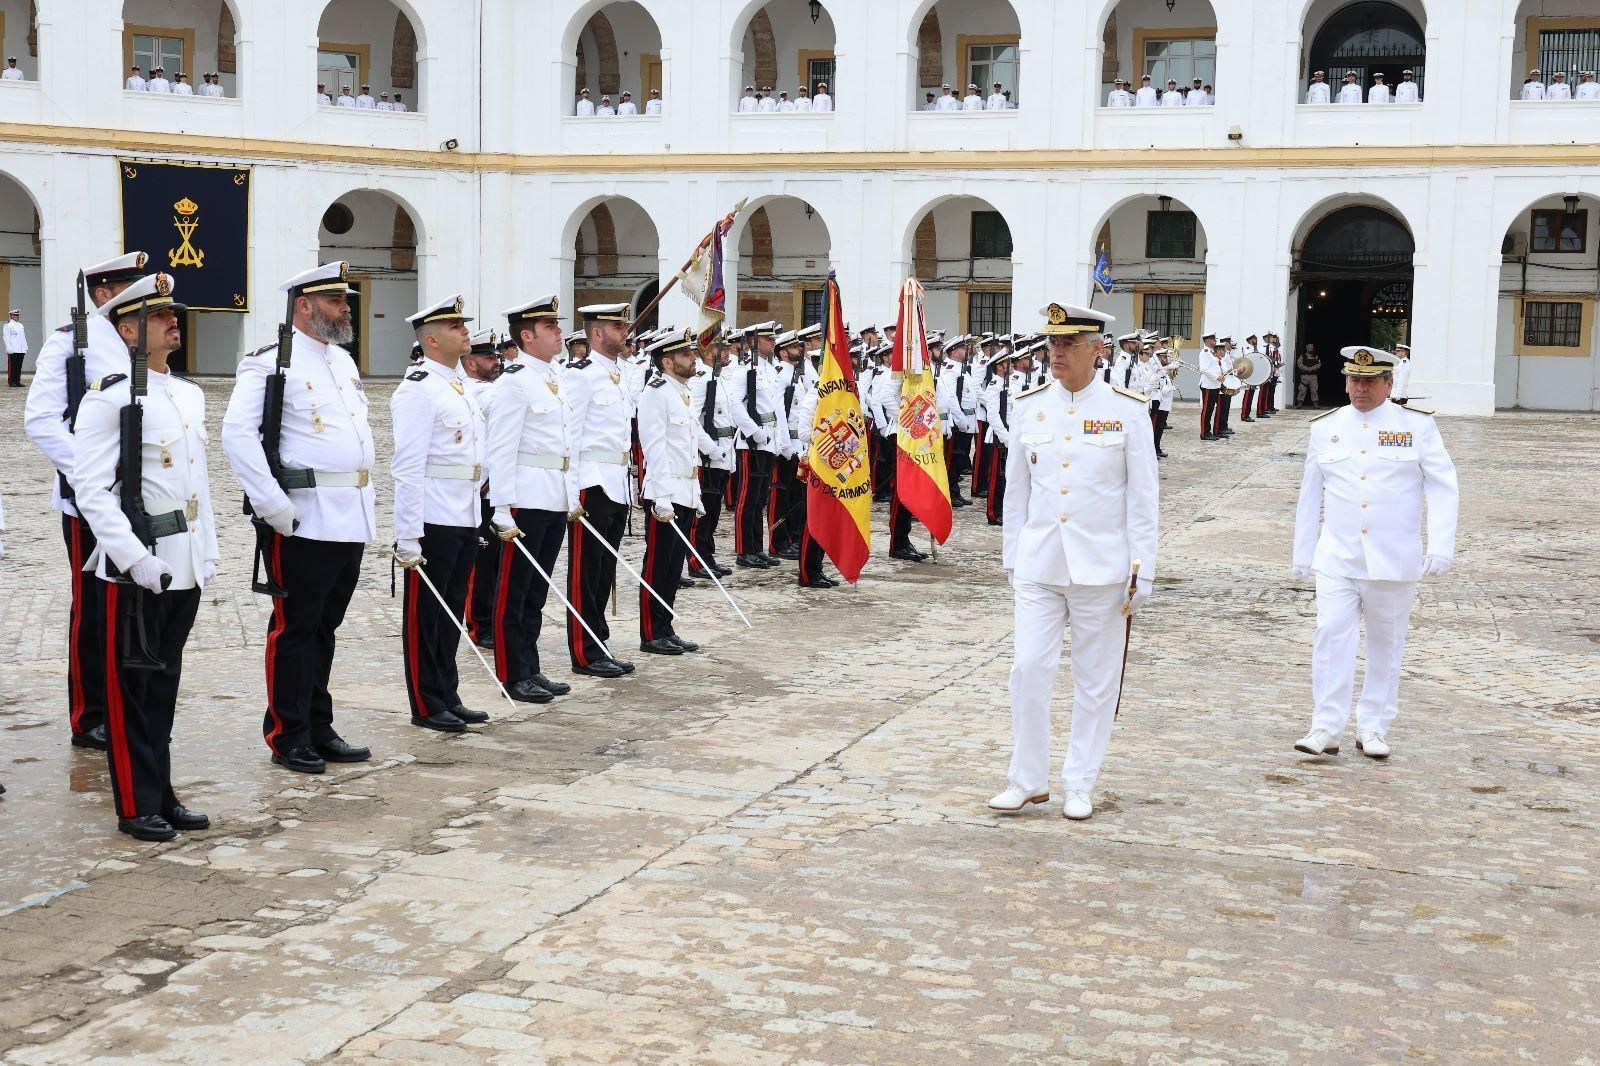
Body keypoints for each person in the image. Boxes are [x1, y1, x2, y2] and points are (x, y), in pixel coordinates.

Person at [989, 301, 1156, 822]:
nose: (1055, 353)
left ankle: (1079, 781)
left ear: (1096, 349)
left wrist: (1142, 567)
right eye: (1051, 344)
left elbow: (1143, 497)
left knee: (1095, 681)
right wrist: (1013, 558)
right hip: (1040, 565)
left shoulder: (1128, 410)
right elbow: (1016, 492)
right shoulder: (1028, 405)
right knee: (1029, 669)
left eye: (1067, 345)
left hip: (1102, 569)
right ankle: (1026, 778)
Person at [74, 273, 219, 842]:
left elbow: (197, 487)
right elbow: (93, 492)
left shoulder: (186, 393)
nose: (173, 321)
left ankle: (161, 789)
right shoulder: (107, 399)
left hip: (181, 560)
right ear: (127, 327)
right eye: (160, 316)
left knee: (164, 684)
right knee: (131, 688)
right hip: (137, 567)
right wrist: (133, 558)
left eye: (172, 314)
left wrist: (204, 554)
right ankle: (136, 803)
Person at [222, 263, 376, 774]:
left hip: (347, 514)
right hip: (302, 516)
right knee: (295, 629)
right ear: (305, 306)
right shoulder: (270, 364)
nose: (346, 307)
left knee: (326, 627)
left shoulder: (343, 363)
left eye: (346, 300)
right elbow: (238, 435)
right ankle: (287, 731)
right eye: (336, 301)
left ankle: (318, 722)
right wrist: (272, 506)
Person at [1292, 346, 1458, 760]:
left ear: (1388, 384)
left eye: (1369, 381)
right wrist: (1303, 552)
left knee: (1386, 645)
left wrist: (1441, 544)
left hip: (1392, 558)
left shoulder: (1416, 427)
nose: (1360, 388)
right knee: (1330, 636)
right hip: (1338, 556)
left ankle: (1374, 726)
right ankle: (1325, 726)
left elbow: (1442, 485)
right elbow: (1310, 494)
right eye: (1353, 380)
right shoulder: (1326, 427)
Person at [24, 252, 149, 752]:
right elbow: (41, 421)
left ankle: (125, 701)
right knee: (93, 607)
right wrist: (94, 476)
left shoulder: (134, 341)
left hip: (140, 497)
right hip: (90, 502)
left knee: (131, 605)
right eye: (130, 289)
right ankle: (88, 713)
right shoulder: (70, 343)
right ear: (104, 294)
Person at [391, 295, 487, 733]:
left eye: (464, 325)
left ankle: (447, 692)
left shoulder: (459, 383)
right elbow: (407, 465)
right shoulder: (418, 387)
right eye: (456, 327)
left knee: (451, 611)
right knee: (426, 615)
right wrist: (408, 534)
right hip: (432, 515)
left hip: (464, 511)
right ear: (431, 339)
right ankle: (426, 702)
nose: (466, 331)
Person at [486, 295, 577, 704]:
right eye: (549, 326)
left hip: (553, 496)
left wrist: (569, 494)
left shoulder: (552, 377)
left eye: (557, 325)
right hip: (525, 497)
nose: (559, 331)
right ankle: (512, 673)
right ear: (527, 335)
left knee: (536, 591)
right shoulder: (514, 381)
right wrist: (501, 507)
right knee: (514, 590)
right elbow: (501, 448)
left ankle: (531, 666)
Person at [563, 303, 638, 678]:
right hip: (591, 481)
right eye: (616, 326)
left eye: (624, 325)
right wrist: (572, 491)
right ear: (596, 333)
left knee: (604, 570)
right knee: (585, 571)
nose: (625, 331)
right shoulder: (581, 375)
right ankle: (584, 651)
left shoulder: (620, 373)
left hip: (616, 480)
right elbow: (571, 435)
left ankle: (599, 642)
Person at [636, 330, 706, 653]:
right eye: (685, 355)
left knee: (674, 565)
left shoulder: (683, 393)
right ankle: (651, 633)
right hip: (666, 491)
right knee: (658, 563)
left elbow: (689, 447)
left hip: (686, 489)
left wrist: (697, 494)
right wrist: (661, 496)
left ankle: (665, 625)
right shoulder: (656, 393)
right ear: (667, 361)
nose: (693, 358)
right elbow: (654, 448)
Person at [725, 321, 789, 567]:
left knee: (761, 498)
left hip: (769, 441)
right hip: (751, 443)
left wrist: (780, 440)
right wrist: (753, 431)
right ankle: (744, 550)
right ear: (753, 342)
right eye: (767, 339)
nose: (772, 343)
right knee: (747, 498)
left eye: (773, 339)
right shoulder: (744, 371)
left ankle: (757, 547)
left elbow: (777, 410)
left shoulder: (771, 371)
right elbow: (734, 404)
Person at [461, 328, 501, 647]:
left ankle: (489, 618)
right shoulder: (477, 392)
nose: (496, 361)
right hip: (481, 487)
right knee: (483, 561)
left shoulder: (490, 390)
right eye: (488, 357)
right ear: (471, 364)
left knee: (496, 561)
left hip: (495, 486)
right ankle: (478, 623)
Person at [689, 331, 736, 579]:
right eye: (722, 349)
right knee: (704, 512)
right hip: (708, 456)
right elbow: (694, 421)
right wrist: (710, 450)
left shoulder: (720, 379)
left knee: (714, 511)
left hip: (722, 452)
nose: (728, 353)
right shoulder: (699, 381)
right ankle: (697, 560)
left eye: (728, 348)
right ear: (708, 353)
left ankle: (707, 556)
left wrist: (727, 455)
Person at [4, 308, 25, 386]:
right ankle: (11, 381)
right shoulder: (8, 325)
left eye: (18, 315)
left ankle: (17, 381)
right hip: (13, 349)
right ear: (11, 316)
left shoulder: (20, 325)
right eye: (15, 315)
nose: (17, 316)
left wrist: (25, 347)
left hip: (21, 349)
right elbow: (6, 338)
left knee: (19, 366)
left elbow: (23, 338)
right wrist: (8, 348)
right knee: (12, 366)